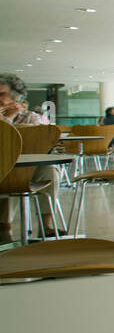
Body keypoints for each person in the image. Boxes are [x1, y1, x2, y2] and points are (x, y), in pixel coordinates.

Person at [0, 72, 57, 243]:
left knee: (49, 170)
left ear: (15, 98)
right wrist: (7, 118)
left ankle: (45, 225)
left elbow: (43, 143)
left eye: (1, 94)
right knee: (8, 172)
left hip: (26, 169)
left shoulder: (31, 117)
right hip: (3, 169)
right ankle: (4, 228)